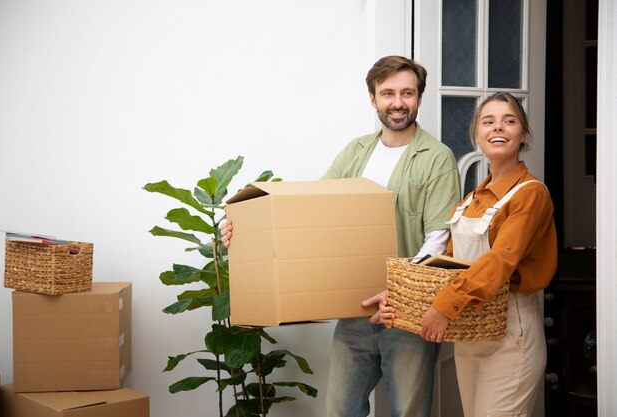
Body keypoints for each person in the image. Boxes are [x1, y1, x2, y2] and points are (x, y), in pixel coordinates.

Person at [222, 55, 461, 417]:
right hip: (355, 311)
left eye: (407, 93)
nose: (398, 102)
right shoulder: (356, 152)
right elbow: (312, 216)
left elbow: (437, 238)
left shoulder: (437, 158)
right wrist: (244, 232)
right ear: (373, 98)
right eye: (388, 93)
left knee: (408, 413)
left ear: (419, 98)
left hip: (407, 313)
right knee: (340, 411)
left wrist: (397, 289)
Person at [417, 92, 557, 417]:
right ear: (476, 134)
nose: (499, 128)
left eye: (510, 121)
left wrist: (443, 305)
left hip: (511, 335)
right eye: (488, 121)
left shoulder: (530, 194)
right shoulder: (472, 199)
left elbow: (499, 262)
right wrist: (399, 296)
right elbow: (448, 265)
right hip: (470, 331)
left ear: (523, 134)